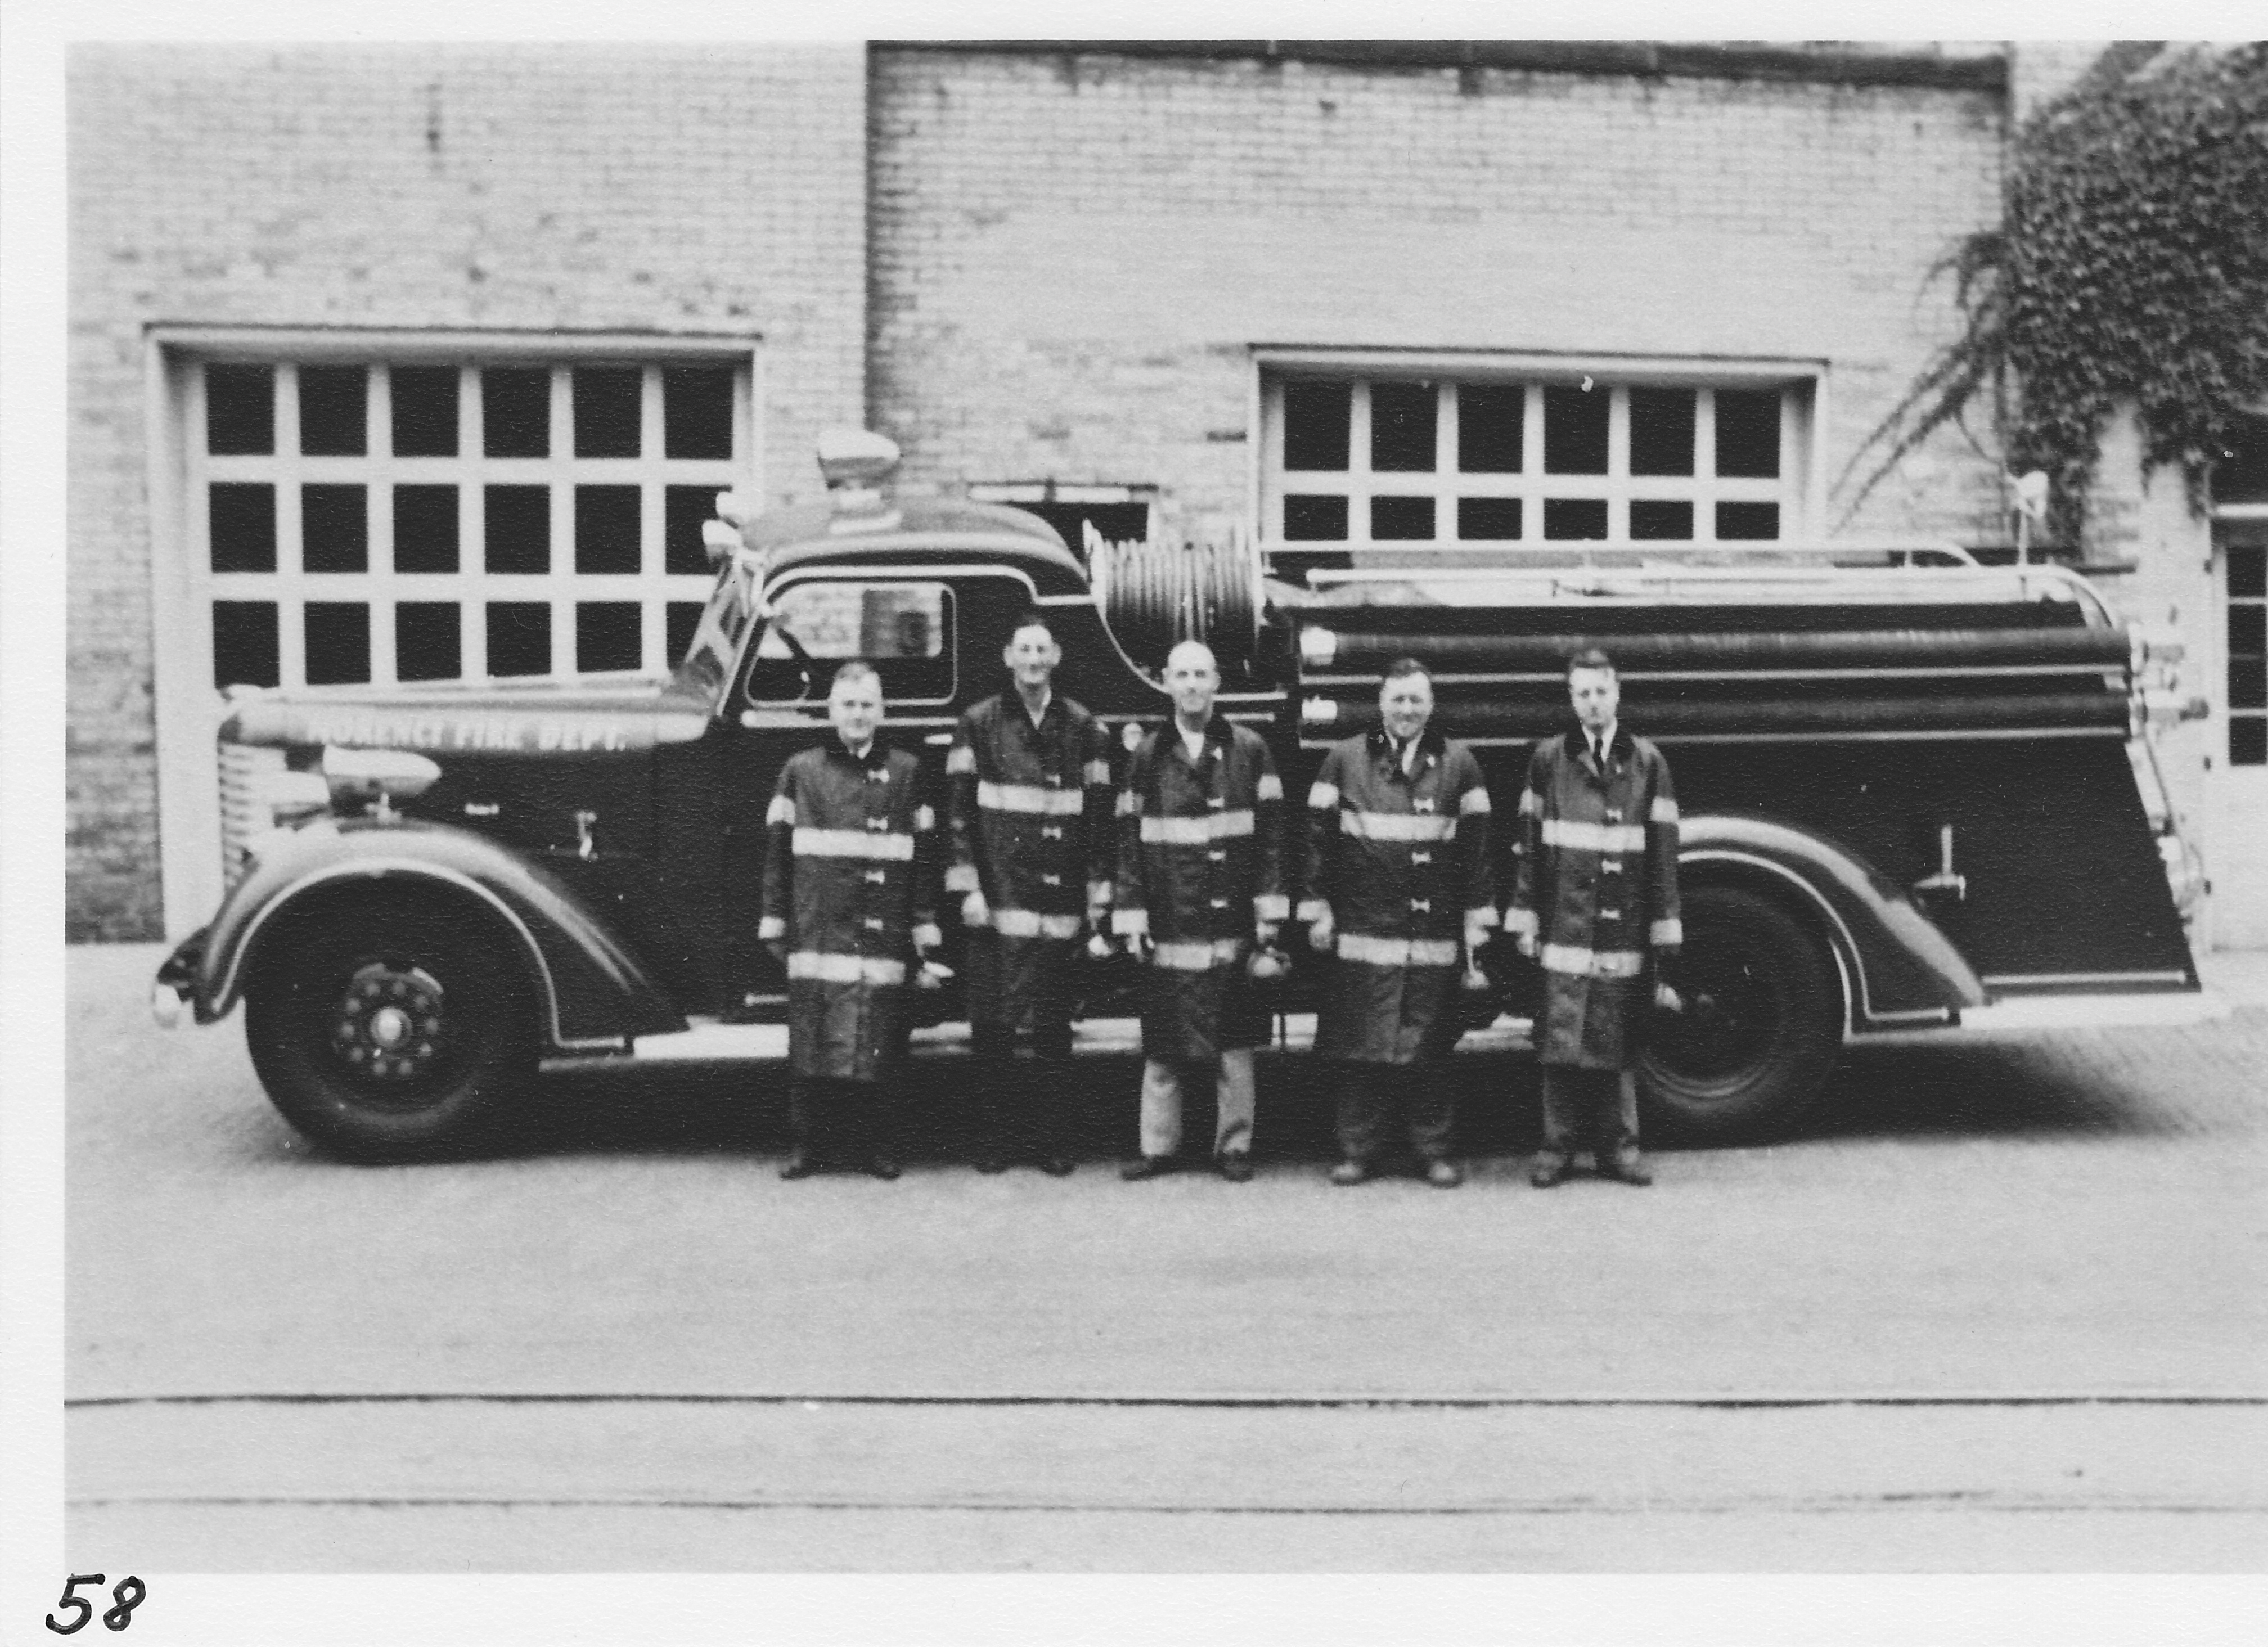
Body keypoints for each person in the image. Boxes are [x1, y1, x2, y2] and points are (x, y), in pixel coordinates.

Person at [1299, 659, 1495, 1188]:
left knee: (1429, 1046)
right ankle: (1357, 1152)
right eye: (1398, 700)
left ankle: (1433, 1151)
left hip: (1431, 936)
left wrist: (1479, 921)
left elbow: (1477, 853)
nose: (1406, 710)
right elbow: (1316, 842)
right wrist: (1316, 907)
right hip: (1362, 933)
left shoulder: (1461, 765)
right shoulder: (1343, 761)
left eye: (1416, 701)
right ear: (1380, 703)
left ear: (1430, 707)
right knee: (1361, 1045)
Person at [944, 611, 1116, 1175]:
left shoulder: (1085, 727)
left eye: (1043, 650)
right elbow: (959, 814)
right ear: (1008, 658)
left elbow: (1098, 819)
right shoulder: (977, 724)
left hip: (1060, 906)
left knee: (1052, 1034)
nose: (1035, 660)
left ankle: (1051, 1144)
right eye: (1025, 650)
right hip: (996, 901)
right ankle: (995, 1142)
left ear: (1057, 658)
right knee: (991, 1032)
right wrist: (968, 887)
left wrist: (1096, 895)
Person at [1113, 639, 1289, 1182]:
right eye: (1182, 675)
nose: (1191, 685)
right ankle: (1157, 1147)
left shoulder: (1251, 750)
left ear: (1218, 683)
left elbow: (1273, 838)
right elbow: (1127, 841)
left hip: (1232, 922)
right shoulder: (1145, 756)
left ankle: (1233, 1146)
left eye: (1201, 675)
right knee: (1163, 1043)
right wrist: (1131, 913)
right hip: (1168, 921)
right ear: (1165, 681)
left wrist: (1270, 913)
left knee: (1234, 1042)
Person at [759, 660, 943, 1180]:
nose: (858, 715)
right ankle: (808, 1148)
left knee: (880, 1039)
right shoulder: (800, 771)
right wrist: (774, 919)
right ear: (830, 710)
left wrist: (925, 925)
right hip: (817, 928)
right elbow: (777, 854)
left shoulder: (908, 773)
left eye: (867, 705)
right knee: (811, 1038)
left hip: (882, 932)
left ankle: (879, 1148)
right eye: (849, 705)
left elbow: (926, 856)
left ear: (881, 711)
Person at [1505, 647, 1681, 1187]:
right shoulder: (1547, 759)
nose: (1593, 703)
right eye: (1582, 693)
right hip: (1564, 927)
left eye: (1601, 692)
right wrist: (1526, 919)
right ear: (1571, 698)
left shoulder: (1649, 763)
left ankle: (1619, 1152)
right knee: (1560, 1041)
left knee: (1615, 1040)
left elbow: (1662, 856)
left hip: (1622, 931)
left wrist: (1663, 932)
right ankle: (1555, 1150)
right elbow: (1528, 847)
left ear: (1617, 694)